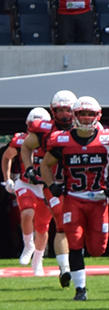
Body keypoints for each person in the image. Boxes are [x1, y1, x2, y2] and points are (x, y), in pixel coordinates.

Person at [41, 97, 109, 302]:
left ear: (97, 116)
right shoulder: (62, 140)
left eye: (90, 114)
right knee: (75, 243)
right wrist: (51, 184)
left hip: (99, 200)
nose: (86, 118)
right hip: (73, 199)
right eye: (82, 114)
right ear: (75, 116)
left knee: (98, 249)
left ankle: (79, 282)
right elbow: (45, 165)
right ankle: (80, 289)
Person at [3, 108, 56, 277]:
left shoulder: (54, 140)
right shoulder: (21, 140)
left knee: (42, 228)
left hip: (45, 187)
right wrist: (7, 179)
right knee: (27, 212)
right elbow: (7, 157)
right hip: (26, 183)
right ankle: (28, 244)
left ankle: (38, 260)